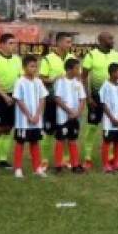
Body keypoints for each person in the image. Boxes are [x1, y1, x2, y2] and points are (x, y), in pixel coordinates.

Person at [81, 32, 118, 169]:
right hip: (96, 98)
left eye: (112, 38)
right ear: (101, 40)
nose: (113, 40)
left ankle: (112, 157)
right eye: (110, 38)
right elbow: (84, 77)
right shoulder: (91, 55)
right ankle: (87, 157)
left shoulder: (116, 55)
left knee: (113, 129)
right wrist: (88, 97)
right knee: (92, 127)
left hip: (114, 101)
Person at [39, 32, 78, 170]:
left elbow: (77, 77)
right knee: (49, 131)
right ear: (59, 43)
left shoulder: (72, 58)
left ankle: (66, 159)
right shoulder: (48, 59)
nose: (70, 44)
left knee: (67, 131)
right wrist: (53, 79)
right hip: (52, 99)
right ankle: (44, 160)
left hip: (68, 102)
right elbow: (41, 78)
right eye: (67, 42)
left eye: (70, 42)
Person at [0, 34, 23, 175]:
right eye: (10, 43)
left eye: (14, 43)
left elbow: (21, 78)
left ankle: (3, 159)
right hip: (0, 98)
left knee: (8, 129)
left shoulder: (17, 60)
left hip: (14, 97)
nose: (14, 45)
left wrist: (17, 96)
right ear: (1, 44)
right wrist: (4, 96)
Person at [12, 54, 49, 178]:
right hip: (23, 121)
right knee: (20, 143)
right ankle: (18, 169)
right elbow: (19, 100)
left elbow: (42, 98)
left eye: (36, 66)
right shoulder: (20, 82)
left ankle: (37, 168)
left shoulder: (38, 81)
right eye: (31, 66)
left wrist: (38, 114)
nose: (34, 69)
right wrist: (28, 115)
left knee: (35, 143)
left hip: (36, 120)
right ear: (24, 67)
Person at [51, 58, 86, 174]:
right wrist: (69, 111)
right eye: (77, 68)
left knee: (73, 139)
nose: (79, 70)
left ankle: (75, 164)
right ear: (70, 69)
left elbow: (82, 99)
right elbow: (57, 98)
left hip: (75, 117)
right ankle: (58, 165)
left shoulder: (78, 82)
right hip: (63, 117)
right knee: (60, 139)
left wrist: (78, 112)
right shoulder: (61, 82)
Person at [99, 62, 118, 173]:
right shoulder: (105, 86)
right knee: (107, 141)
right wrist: (111, 118)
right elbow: (104, 104)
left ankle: (117, 162)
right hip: (109, 121)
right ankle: (106, 164)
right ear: (112, 73)